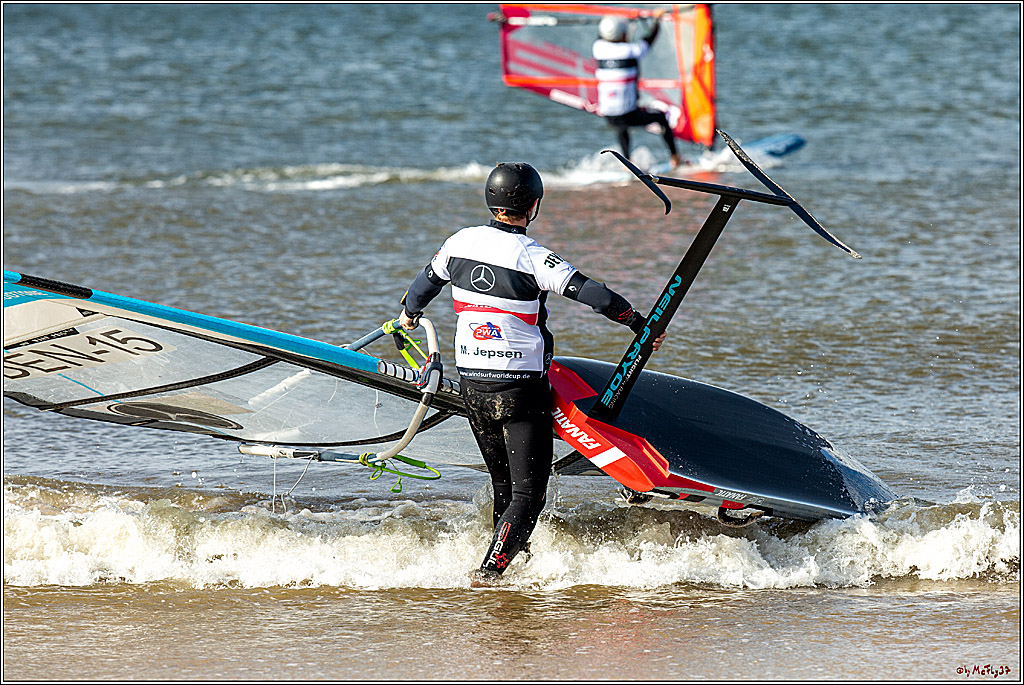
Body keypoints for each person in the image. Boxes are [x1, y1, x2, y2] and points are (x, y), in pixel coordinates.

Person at [399, 162, 665, 585]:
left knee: (503, 483)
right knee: (529, 494)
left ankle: (506, 561)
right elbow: (591, 294)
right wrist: (637, 321)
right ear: (533, 205)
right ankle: (489, 574)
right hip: (520, 387)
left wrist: (409, 315)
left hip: (472, 383)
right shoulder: (532, 256)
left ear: (490, 200)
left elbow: (423, 285)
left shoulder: (459, 242)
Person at [593, 10, 682, 168]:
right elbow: (649, 40)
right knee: (661, 117)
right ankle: (675, 157)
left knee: (621, 125)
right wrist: (656, 20)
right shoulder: (631, 51)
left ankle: (627, 161)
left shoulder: (598, 49)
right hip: (628, 113)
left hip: (607, 113)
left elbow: (603, 35)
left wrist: (614, 23)